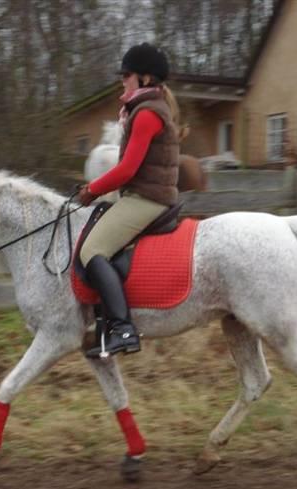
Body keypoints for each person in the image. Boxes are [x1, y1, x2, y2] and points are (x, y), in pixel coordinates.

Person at [78, 43, 180, 358]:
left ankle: (121, 328)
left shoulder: (148, 113)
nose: (122, 80)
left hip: (148, 198)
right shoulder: (144, 108)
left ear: (146, 78)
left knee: (91, 250)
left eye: (127, 74)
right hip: (145, 194)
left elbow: (127, 169)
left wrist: (92, 189)